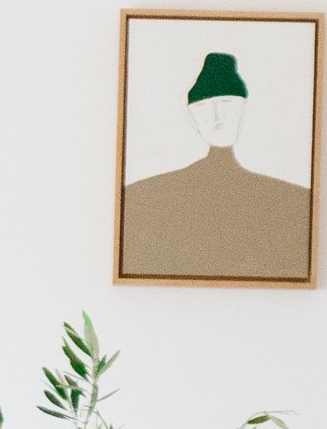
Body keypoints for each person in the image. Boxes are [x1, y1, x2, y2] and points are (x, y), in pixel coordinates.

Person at [118, 49, 313, 281]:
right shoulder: (141, 196)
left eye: (227, 102)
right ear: (190, 115)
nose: (216, 116)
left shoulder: (295, 201)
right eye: (202, 106)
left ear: (245, 106)